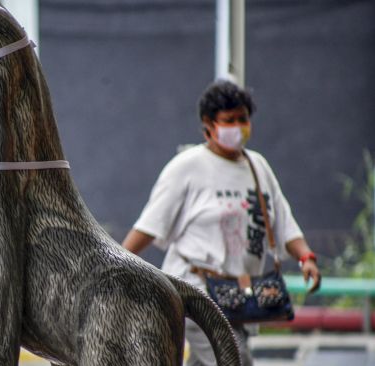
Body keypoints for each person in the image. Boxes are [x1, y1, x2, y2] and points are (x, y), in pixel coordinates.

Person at [122, 80, 321, 366]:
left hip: (242, 299)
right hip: (197, 292)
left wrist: (307, 257)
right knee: (234, 360)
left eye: (243, 119)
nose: (238, 127)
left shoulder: (258, 166)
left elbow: (284, 224)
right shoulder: (187, 166)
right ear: (209, 124)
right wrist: (115, 264)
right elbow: (150, 225)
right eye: (229, 120)